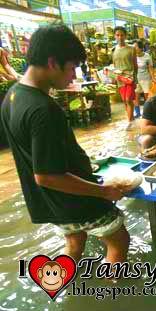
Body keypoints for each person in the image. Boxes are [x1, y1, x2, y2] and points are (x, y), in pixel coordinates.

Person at [0, 24, 130, 264]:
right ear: (52, 63)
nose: (73, 76)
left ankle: (60, 287)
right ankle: (111, 297)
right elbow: (47, 176)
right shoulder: (43, 110)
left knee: (74, 241)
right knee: (118, 240)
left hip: (50, 202)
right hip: (72, 199)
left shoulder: (13, 96)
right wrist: (103, 191)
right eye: (72, 68)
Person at [112, 26, 138, 127]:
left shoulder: (131, 49)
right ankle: (131, 118)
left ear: (125, 36)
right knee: (125, 100)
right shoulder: (113, 50)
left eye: (122, 35)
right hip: (119, 78)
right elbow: (114, 65)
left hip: (130, 78)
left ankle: (130, 121)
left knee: (128, 99)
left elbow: (135, 65)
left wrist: (135, 79)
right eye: (117, 35)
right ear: (115, 36)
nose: (120, 37)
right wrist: (113, 78)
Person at [134, 40, 153, 109]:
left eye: (135, 46)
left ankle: (148, 111)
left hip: (146, 79)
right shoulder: (133, 56)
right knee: (136, 96)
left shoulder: (147, 56)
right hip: (136, 80)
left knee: (147, 97)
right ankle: (137, 113)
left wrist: (153, 78)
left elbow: (150, 68)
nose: (134, 48)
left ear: (141, 48)